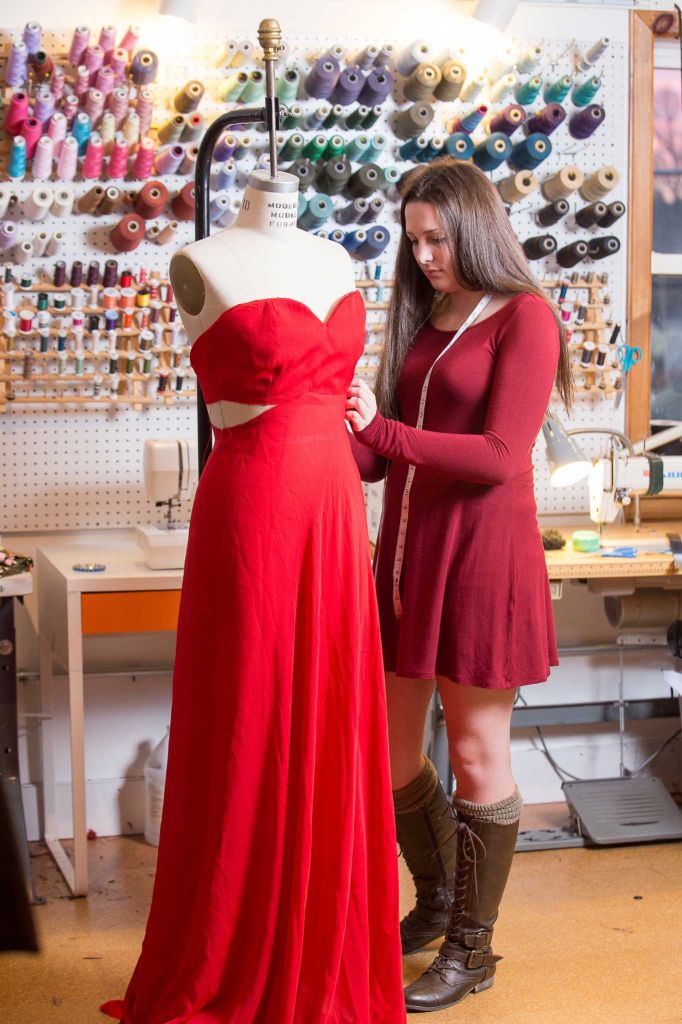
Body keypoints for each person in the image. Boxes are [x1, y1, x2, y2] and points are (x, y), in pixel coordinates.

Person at [102, 169, 406, 1023]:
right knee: (248, 713)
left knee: (332, 715)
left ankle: (326, 944)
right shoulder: (200, 259)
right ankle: (232, 944)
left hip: (336, 506)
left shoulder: (336, 257)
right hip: (256, 501)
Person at [346, 157, 572, 1014]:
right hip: (406, 554)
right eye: (414, 240)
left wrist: (388, 434)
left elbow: (501, 457)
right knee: (393, 750)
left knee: (477, 753)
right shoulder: (423, 311)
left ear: (475, 228)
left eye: (438, 238)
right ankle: (439, 901)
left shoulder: (525, 318)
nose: (427, 254)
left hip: (481, 555)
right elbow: (374, 460)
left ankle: (473, 950)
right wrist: (325, 415)